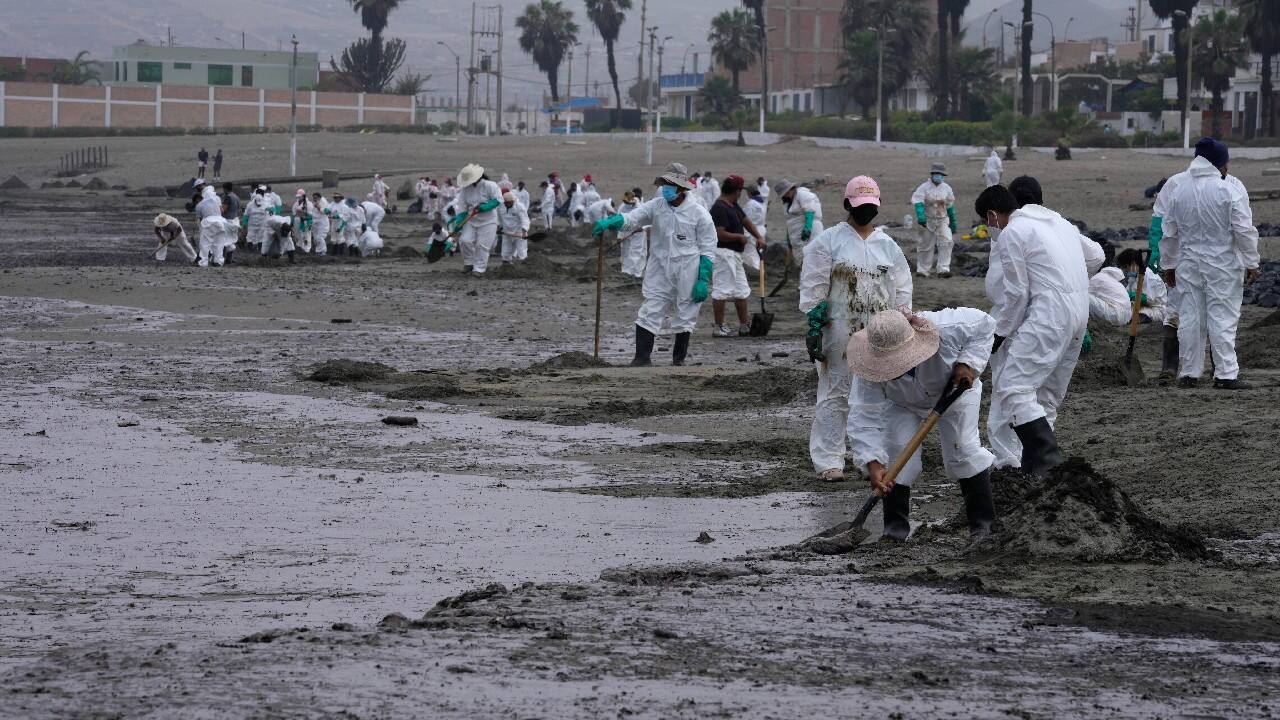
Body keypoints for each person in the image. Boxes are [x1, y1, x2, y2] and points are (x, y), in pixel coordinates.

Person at [977, 178, 1102, 476]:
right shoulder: (1059, 223)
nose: (989, 229)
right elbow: (1096, 256)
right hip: (1079, 315)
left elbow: (1016, 295)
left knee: (1013, 387)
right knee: (1045, 397)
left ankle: (1050, 464)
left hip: (1048, 316)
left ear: (993, 216)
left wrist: (998, 335)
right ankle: (1034, 470)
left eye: (986, 223)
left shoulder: (1012, 233)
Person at [848, 308, 997, 541]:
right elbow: (864, 414)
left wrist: (967, 362)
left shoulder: (948, 328)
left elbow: (986, 325)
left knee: (963, 448)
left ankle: (983, 525)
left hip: (955, 391)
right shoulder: (868, 366)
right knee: (895, 452)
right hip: (901, 403)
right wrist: (873, 462)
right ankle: (894, 530)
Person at [799, 176, 913, 480]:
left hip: (879, 333)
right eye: (860, 205)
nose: (866, 211)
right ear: (848, 204)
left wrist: (903, 322)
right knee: (836, 393)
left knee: (877, 396)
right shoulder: (828, 242)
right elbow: (814, 287)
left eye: (871, 206)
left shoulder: (888, 247)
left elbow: (901, 290)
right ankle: (829, 461)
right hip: (838, 332)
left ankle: (870, 458)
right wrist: (814, 322)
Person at [1159, 137, 1260, 390]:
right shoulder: (1229, 190)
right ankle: (1225, 374)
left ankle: (1189, 373)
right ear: (1220, 164)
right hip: (1222, 263)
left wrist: (1169, 266)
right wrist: (1252, 262)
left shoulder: (1179, 190)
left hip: (1188, 262)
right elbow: (1243, 231)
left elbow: (1169, 233)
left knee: (1191, 317)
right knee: (1222, 317)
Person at [592, 162, 716, 367]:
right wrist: (613, 222)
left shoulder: (699, 214)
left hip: (688, 269)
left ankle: (678, 360)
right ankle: (641, 358)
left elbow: (708, 247)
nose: (666, 188)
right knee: (650, 309)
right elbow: (634, 219)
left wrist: (703, 278)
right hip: (659, 267)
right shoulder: (656, 206)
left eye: (670, 184)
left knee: (686, 311)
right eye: (664, 183)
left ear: (682, 188)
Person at [708, 174, 765, 338]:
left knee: (741, 290)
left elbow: (745, 220)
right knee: (722, 289)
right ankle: (718, 327)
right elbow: (719, 233)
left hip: (735, 255)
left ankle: (744, 325)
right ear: (738, 191)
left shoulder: (733, 205)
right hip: (723, 254)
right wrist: (739, 237)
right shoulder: (719, 207)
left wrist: (759, 237)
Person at [450, 163, 503, 275]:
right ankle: (469, 263)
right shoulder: (465, 190)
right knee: (465, 241)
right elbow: (462, 207)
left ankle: (479, 269)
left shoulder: (490, 185)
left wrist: (485, 207)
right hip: (471, 220)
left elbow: (498, 199)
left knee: (482, 245)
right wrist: (458, 223)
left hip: (488, 221)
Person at [910, 163, 958, 278]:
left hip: (942, 220)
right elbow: (918, 202)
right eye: (936, 174)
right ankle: (923, 270)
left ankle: (943, 269)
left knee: (947, 242)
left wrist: (953, 221)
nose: (938, 176)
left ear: (943, 176)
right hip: (927, 220)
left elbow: (950, 205)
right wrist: (921, 216)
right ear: (932, 174)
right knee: (926, 245)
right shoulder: (923, 188)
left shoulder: (947, 188)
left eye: (940, 174)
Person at [1116, 247, 1170, 325]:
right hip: (1140, 306)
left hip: (1155, 308)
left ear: (1133, 263)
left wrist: (1137, 297)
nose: (1126, 270)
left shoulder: (1149, 276)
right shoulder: (1135, 276)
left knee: (1139, 315)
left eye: (1126, 266)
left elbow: (1151, 300)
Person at [775, 179, 823, 260]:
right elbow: (790, 220)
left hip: (811, 230)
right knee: (801, 258)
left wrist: (808, 227)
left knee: (812, 255)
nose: (786, 196)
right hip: (797, 234)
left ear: (792, 189)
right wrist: (789, 237)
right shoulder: (788, 202)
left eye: (787, 193)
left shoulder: (803, 194)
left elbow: (809, 210)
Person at [617, 189, 647, 278]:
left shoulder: (641, 207)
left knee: (636, 252)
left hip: (638, 232)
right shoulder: (622, 207)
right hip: (625, 231)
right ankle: (626, 271)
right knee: (625, 251)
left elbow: (648, 219)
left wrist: (642, 227)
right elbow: (619, 221)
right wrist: (619, 235)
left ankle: (636, 273)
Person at [497, 191, 531, 264]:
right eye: (505, 203)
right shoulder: (501, 207)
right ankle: (506, 264)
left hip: (519, 233)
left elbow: (525, 219)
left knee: (521, 251)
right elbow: (500, 218)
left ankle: (523, 266)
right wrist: (500, 227)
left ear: (512, 201)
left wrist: (524, 231)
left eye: (508, 203)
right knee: (506, 250)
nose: (507, 204)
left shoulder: (519, 207)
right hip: (506, 232)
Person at [742, 186, 767, 272]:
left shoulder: (752, 203)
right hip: (760, 230)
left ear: (749, 193)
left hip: (753, 230)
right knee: (757, 253)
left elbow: (747, 219)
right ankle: (759, 271)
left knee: (751, 253)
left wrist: (745, 234)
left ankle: (754, 271)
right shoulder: (761, 202)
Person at [242, 186, 273, 250]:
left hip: (262, 224)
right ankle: (250, 250)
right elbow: (246, 215)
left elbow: (271, 211)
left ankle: (260, 249)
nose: (258, 205)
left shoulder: (266, 203)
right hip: (252, 224)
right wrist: (244, 223)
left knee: (261, 237)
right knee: (250, 237)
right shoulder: (250, 205)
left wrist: (270, 212)